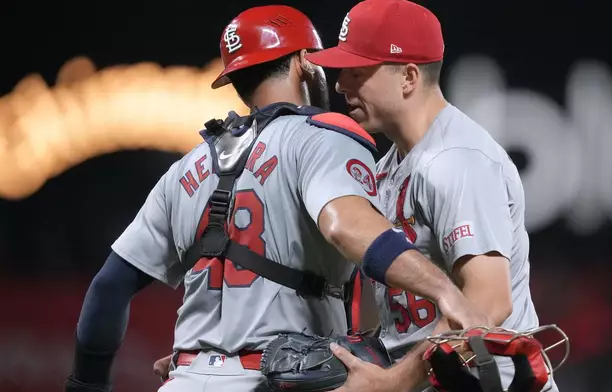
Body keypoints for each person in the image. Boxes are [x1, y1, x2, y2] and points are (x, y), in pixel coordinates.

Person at [65, 5, 486, 392]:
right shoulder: (322, 138)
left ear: (234, 80)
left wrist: (88, 385)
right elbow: (347, 226)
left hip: (184, 378)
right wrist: (445, 291)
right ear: (306, 63)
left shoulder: (187, 167)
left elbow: (108, 288)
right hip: (271, 380)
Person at [305, 0, 559, 391]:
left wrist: (393, 383)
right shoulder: (389, 164)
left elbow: (486, 304)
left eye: (358, 72)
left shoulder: (457, 161)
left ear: (408, 77)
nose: (341, 85)